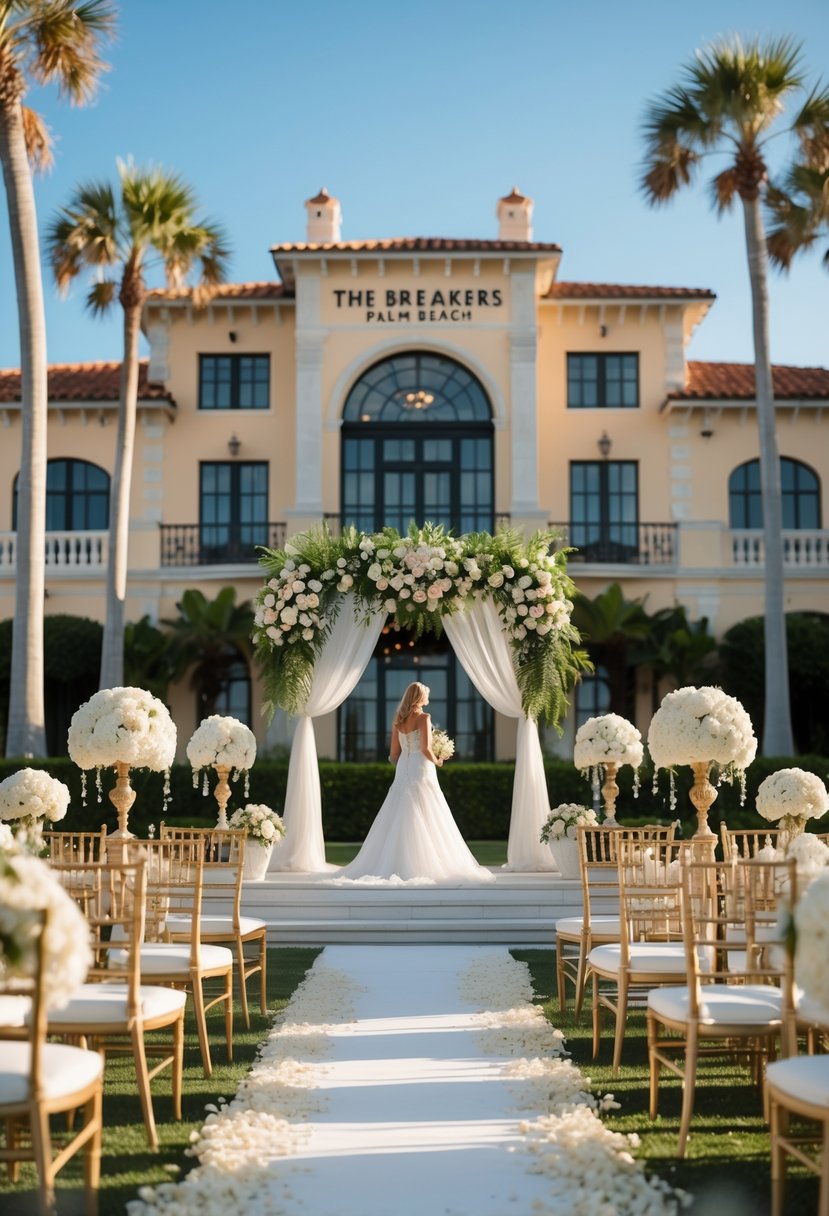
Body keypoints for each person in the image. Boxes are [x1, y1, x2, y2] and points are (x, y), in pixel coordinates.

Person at [336, 681, 494, 884]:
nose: (428, 698)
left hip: (404, 766)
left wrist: (402, 764)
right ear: (419, 698)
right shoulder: (424, 717)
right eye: (426, 694)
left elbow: (393, 753)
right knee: (427, 805)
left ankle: (394, 859)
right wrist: (438, 761)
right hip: (421, 766)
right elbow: (427, 748)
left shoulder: (399, 721)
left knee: (400, 806)